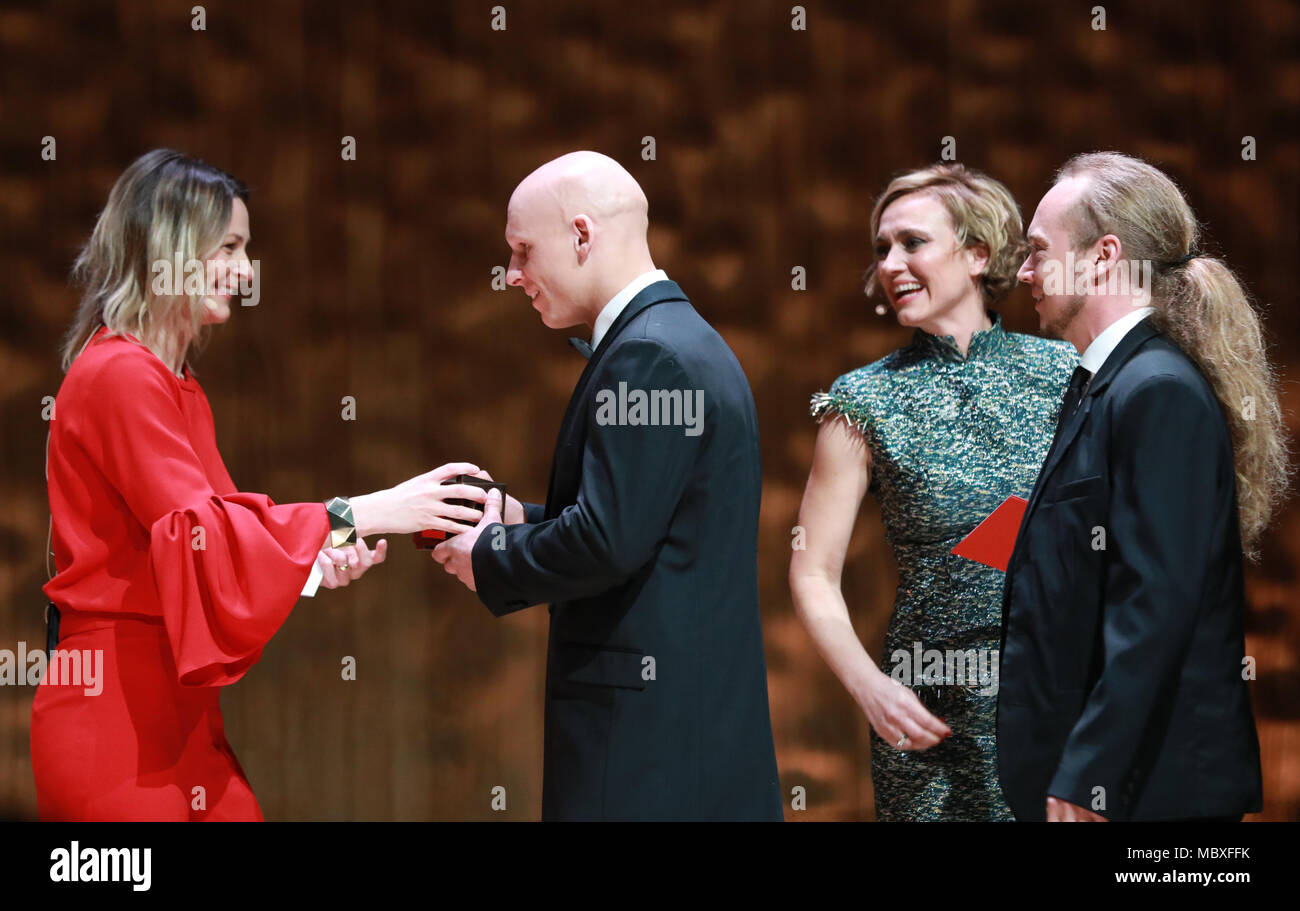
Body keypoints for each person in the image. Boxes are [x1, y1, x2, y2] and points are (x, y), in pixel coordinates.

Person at [33, 148, 491, 821]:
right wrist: (366, 511)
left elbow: (218, 535)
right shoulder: (122, 375)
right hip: (117, 722)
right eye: (229, 247)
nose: (245, 272)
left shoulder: (175, 384)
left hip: (176, 718)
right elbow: (204, 534)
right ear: (169, 247)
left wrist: (312, 559)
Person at [432, 151, 782, 820]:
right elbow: (649, 521)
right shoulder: (682, 340)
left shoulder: (649, 354)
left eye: (523, 251)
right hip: (685, 730)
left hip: (647, 746)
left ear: (583, 236)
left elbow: (608, 541)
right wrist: (522, 518)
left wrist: (488, 556)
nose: (511, 275)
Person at [998, 152, 1284, 822]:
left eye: (1039, 251)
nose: (1025, 272)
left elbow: (1155, 601)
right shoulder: (1105, 385)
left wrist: (1090, 770)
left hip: (1144, 795)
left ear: (1103, 256)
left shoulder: (1155, 390)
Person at [792, 164, 1076, 820]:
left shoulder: (1067, 374)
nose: (890, 264)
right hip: (927, 711)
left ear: (978, 253)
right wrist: (869, 687)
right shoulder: (862, 399)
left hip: (1056, 697)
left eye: (912, 242)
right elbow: (811, 570)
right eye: (881, 249)